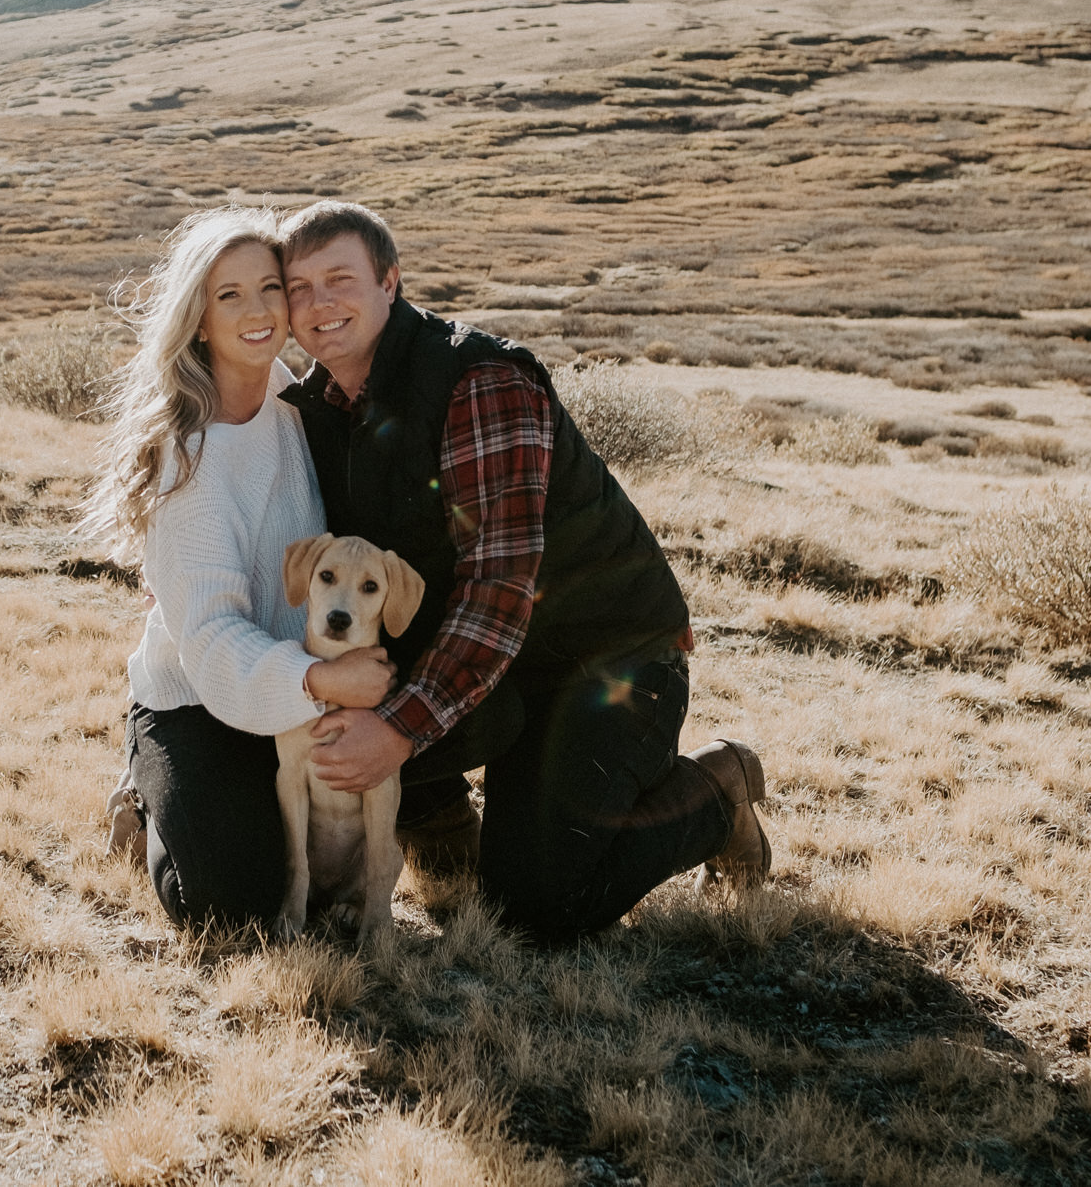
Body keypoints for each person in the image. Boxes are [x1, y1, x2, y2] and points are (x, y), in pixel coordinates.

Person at [277, 200, 769, 944]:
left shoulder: (479, 382)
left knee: (536, 908)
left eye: (339, 278)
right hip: (488, 672)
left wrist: (399, 734)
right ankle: (435, 808)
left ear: (390, 282)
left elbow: (500, 592)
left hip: (603, 660)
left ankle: (715, 793)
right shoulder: (311, 407)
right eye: (299, 287)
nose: (319, 304)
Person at [81, 207, 396, 931]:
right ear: (197, 318)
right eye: (230, 296)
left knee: (315, 892)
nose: (258, 312)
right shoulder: (187, 461)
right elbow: (218, 641)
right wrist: (320, 680)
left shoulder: (297, 406)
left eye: (270, 289)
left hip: (298, 690)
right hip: (198, 696)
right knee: (232, 907)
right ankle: (147, 788)